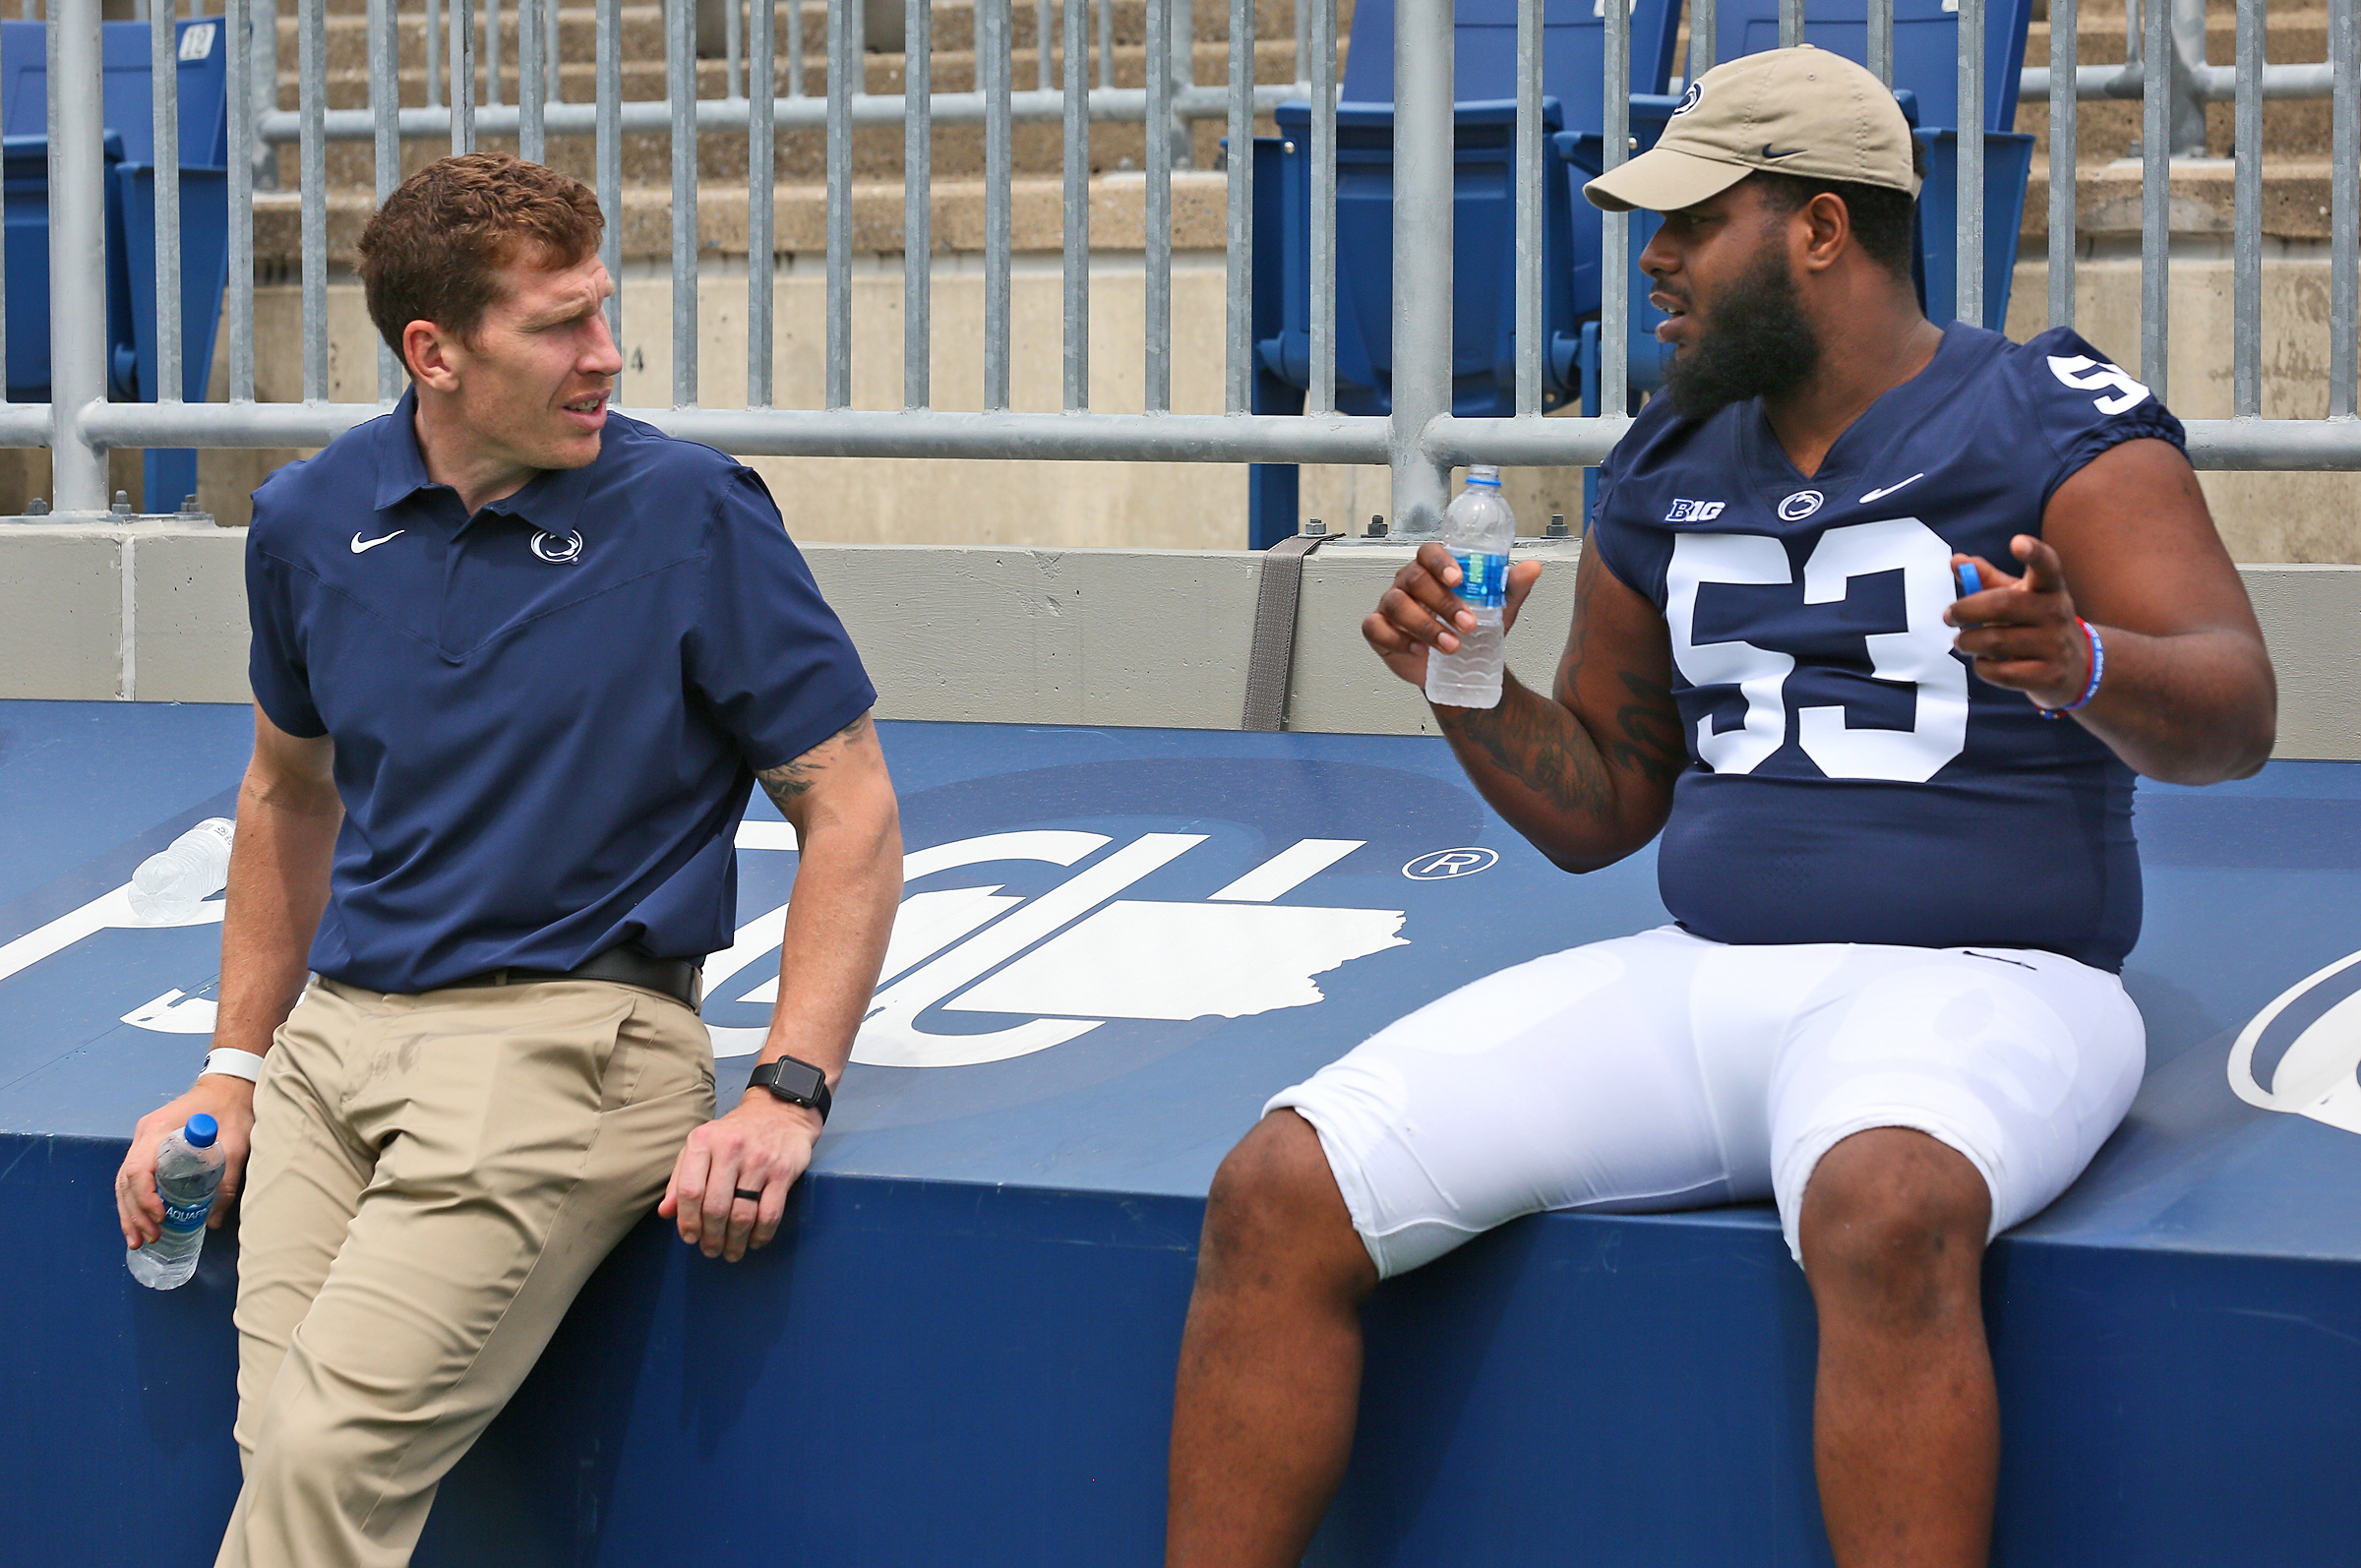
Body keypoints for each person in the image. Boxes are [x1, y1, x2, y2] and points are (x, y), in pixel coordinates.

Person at [1166, 46, 2275, 1568]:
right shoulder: (1671, 458)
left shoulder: (2046, 417)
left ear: (1821, 230)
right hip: (1709, 977)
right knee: (1282, 1180)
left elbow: (2235, 710)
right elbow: (1606, 804)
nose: (1652, 256)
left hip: (1996, 980)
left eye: (1694, 218)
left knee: (1887, 1202)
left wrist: (2079, 659)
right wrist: (1471, 686)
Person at [110, 153, 902, 1568]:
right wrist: (235, 1068)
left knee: (314, 1464)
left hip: (570, 1044)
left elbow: (850, 802)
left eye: (604, 311)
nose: (606, 355)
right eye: (557, 326)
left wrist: (790, 1083)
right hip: (331, 1053)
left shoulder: (694, 512)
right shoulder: (303, 518)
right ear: (435, 353)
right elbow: (289, 794)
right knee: (282, 1463)